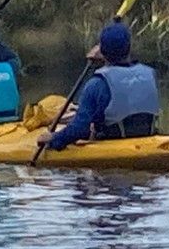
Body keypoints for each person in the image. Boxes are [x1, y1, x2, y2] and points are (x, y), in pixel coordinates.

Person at [37, 18, 160, 150]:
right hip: (148, 140)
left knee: (86, 125)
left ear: (101, 51)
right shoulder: (150, 74)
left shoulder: (96, 84)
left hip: (112, 145)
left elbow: (78, 129)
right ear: (129, 47)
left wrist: (54, 138)